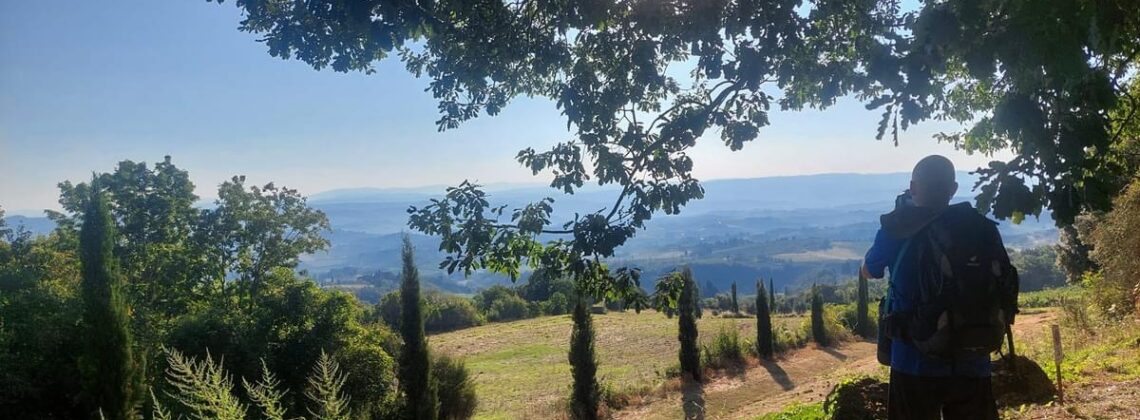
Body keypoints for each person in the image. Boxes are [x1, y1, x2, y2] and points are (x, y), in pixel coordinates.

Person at [862, 155, 1016, 420]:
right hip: (973, 355)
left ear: (913, 187)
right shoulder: (982, 228)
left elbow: (869, 271)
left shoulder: (897, 229)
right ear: (953, 189)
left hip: (913, 360)